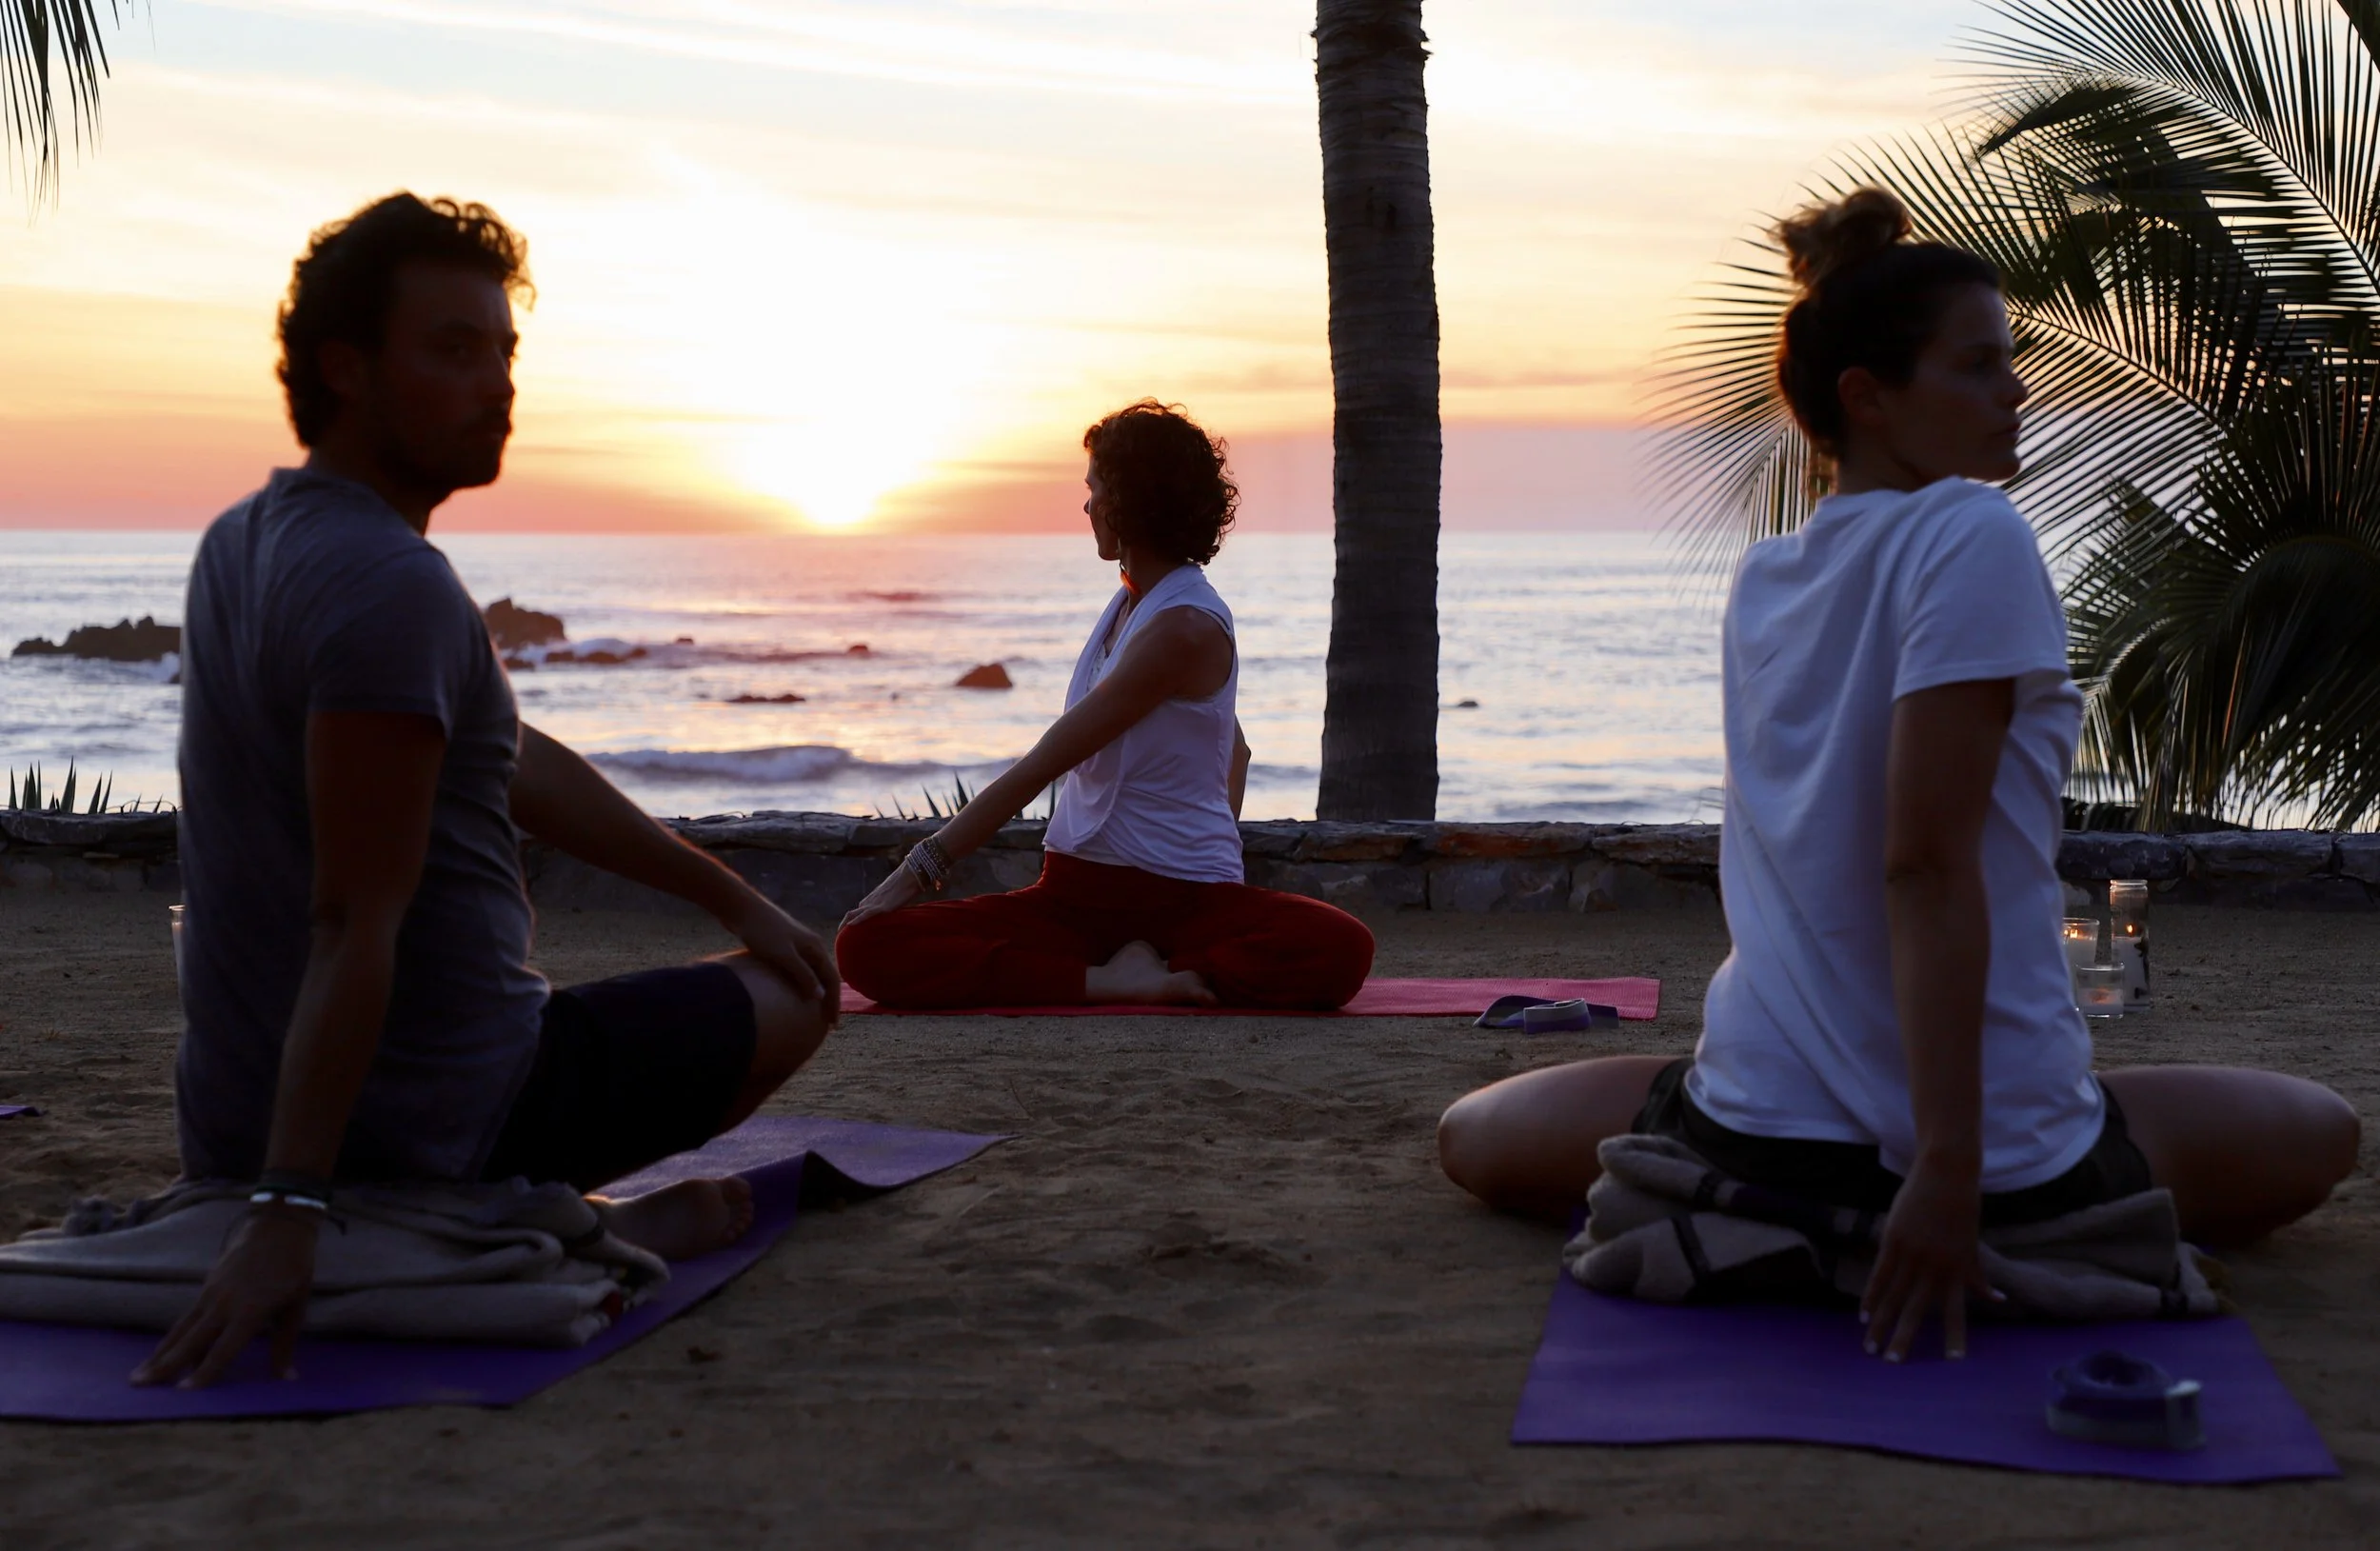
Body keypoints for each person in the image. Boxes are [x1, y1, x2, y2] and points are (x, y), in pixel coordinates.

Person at [1436, 189, 2360, 1362]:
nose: (2014, 392)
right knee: (2318, 1130)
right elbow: (1920, 866)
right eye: (1977, 367)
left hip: (1752, 1137)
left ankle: (1778, 1196)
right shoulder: (1974, 533)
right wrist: (1946, 1167)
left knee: (1476, 1132)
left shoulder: (1766, 577)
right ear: (1868, 399)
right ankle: (1916, 1203)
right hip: (1978, 1152)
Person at [136, 193, 841, 1389]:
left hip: (232, 1120)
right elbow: (354, 922)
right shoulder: (390, 585)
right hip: (443, 1116)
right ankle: (529, 1226)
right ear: (344, 371)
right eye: (455, 351)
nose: (500, 386)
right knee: (797, 998)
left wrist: (733, 898)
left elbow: (508, 754)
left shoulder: (241, 544)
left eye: (504, 352)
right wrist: (287, 1209)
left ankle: (511, 1215)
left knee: (764, 953)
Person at [836, 401, 1375, 1009]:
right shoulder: (1133, 605)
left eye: (1094, 489)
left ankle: (1140, 964)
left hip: (1184, 902)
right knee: (865, 948)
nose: (1086, 506)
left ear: (1128, 500)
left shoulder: (1184, 627)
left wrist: (911, 875)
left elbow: (1042, 766)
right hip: (1074, 900)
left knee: (1340, 948)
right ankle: (1121, 977)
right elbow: (1236, 747)